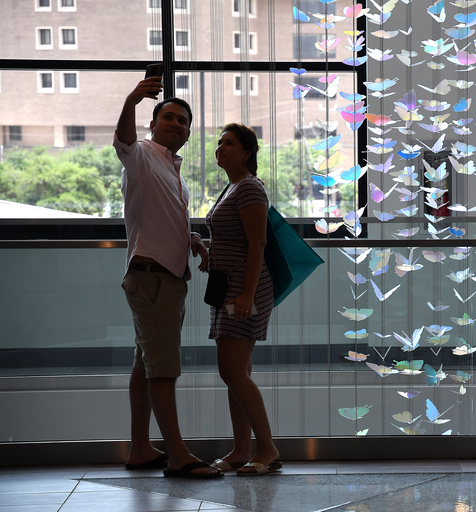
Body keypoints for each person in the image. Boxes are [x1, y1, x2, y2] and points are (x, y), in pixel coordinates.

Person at [115, 76, 221, 479]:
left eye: (183, 121)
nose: (177, 125)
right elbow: (122, 139)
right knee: (163, 370)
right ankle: (178, 455)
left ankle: (141, 447)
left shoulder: (171, 170)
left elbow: (157, 216)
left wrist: (190, 236)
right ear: (153, 124)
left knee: (146, 366)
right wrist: (132, 99)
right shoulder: (141, 154)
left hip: (165, 278)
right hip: (152, 278)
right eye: (169, 118)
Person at [204, 123, 281, 476]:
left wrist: (247, 293)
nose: (221, 148)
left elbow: (258, 244)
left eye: (229, 143)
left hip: (243, 290)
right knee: (238, 372)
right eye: (219, 142)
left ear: (247, 152)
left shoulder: (249, 188)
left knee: (232, 370)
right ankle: (240, 449)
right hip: (231, 286)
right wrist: (206, 251)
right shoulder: (232, 187)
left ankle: (266, 449)